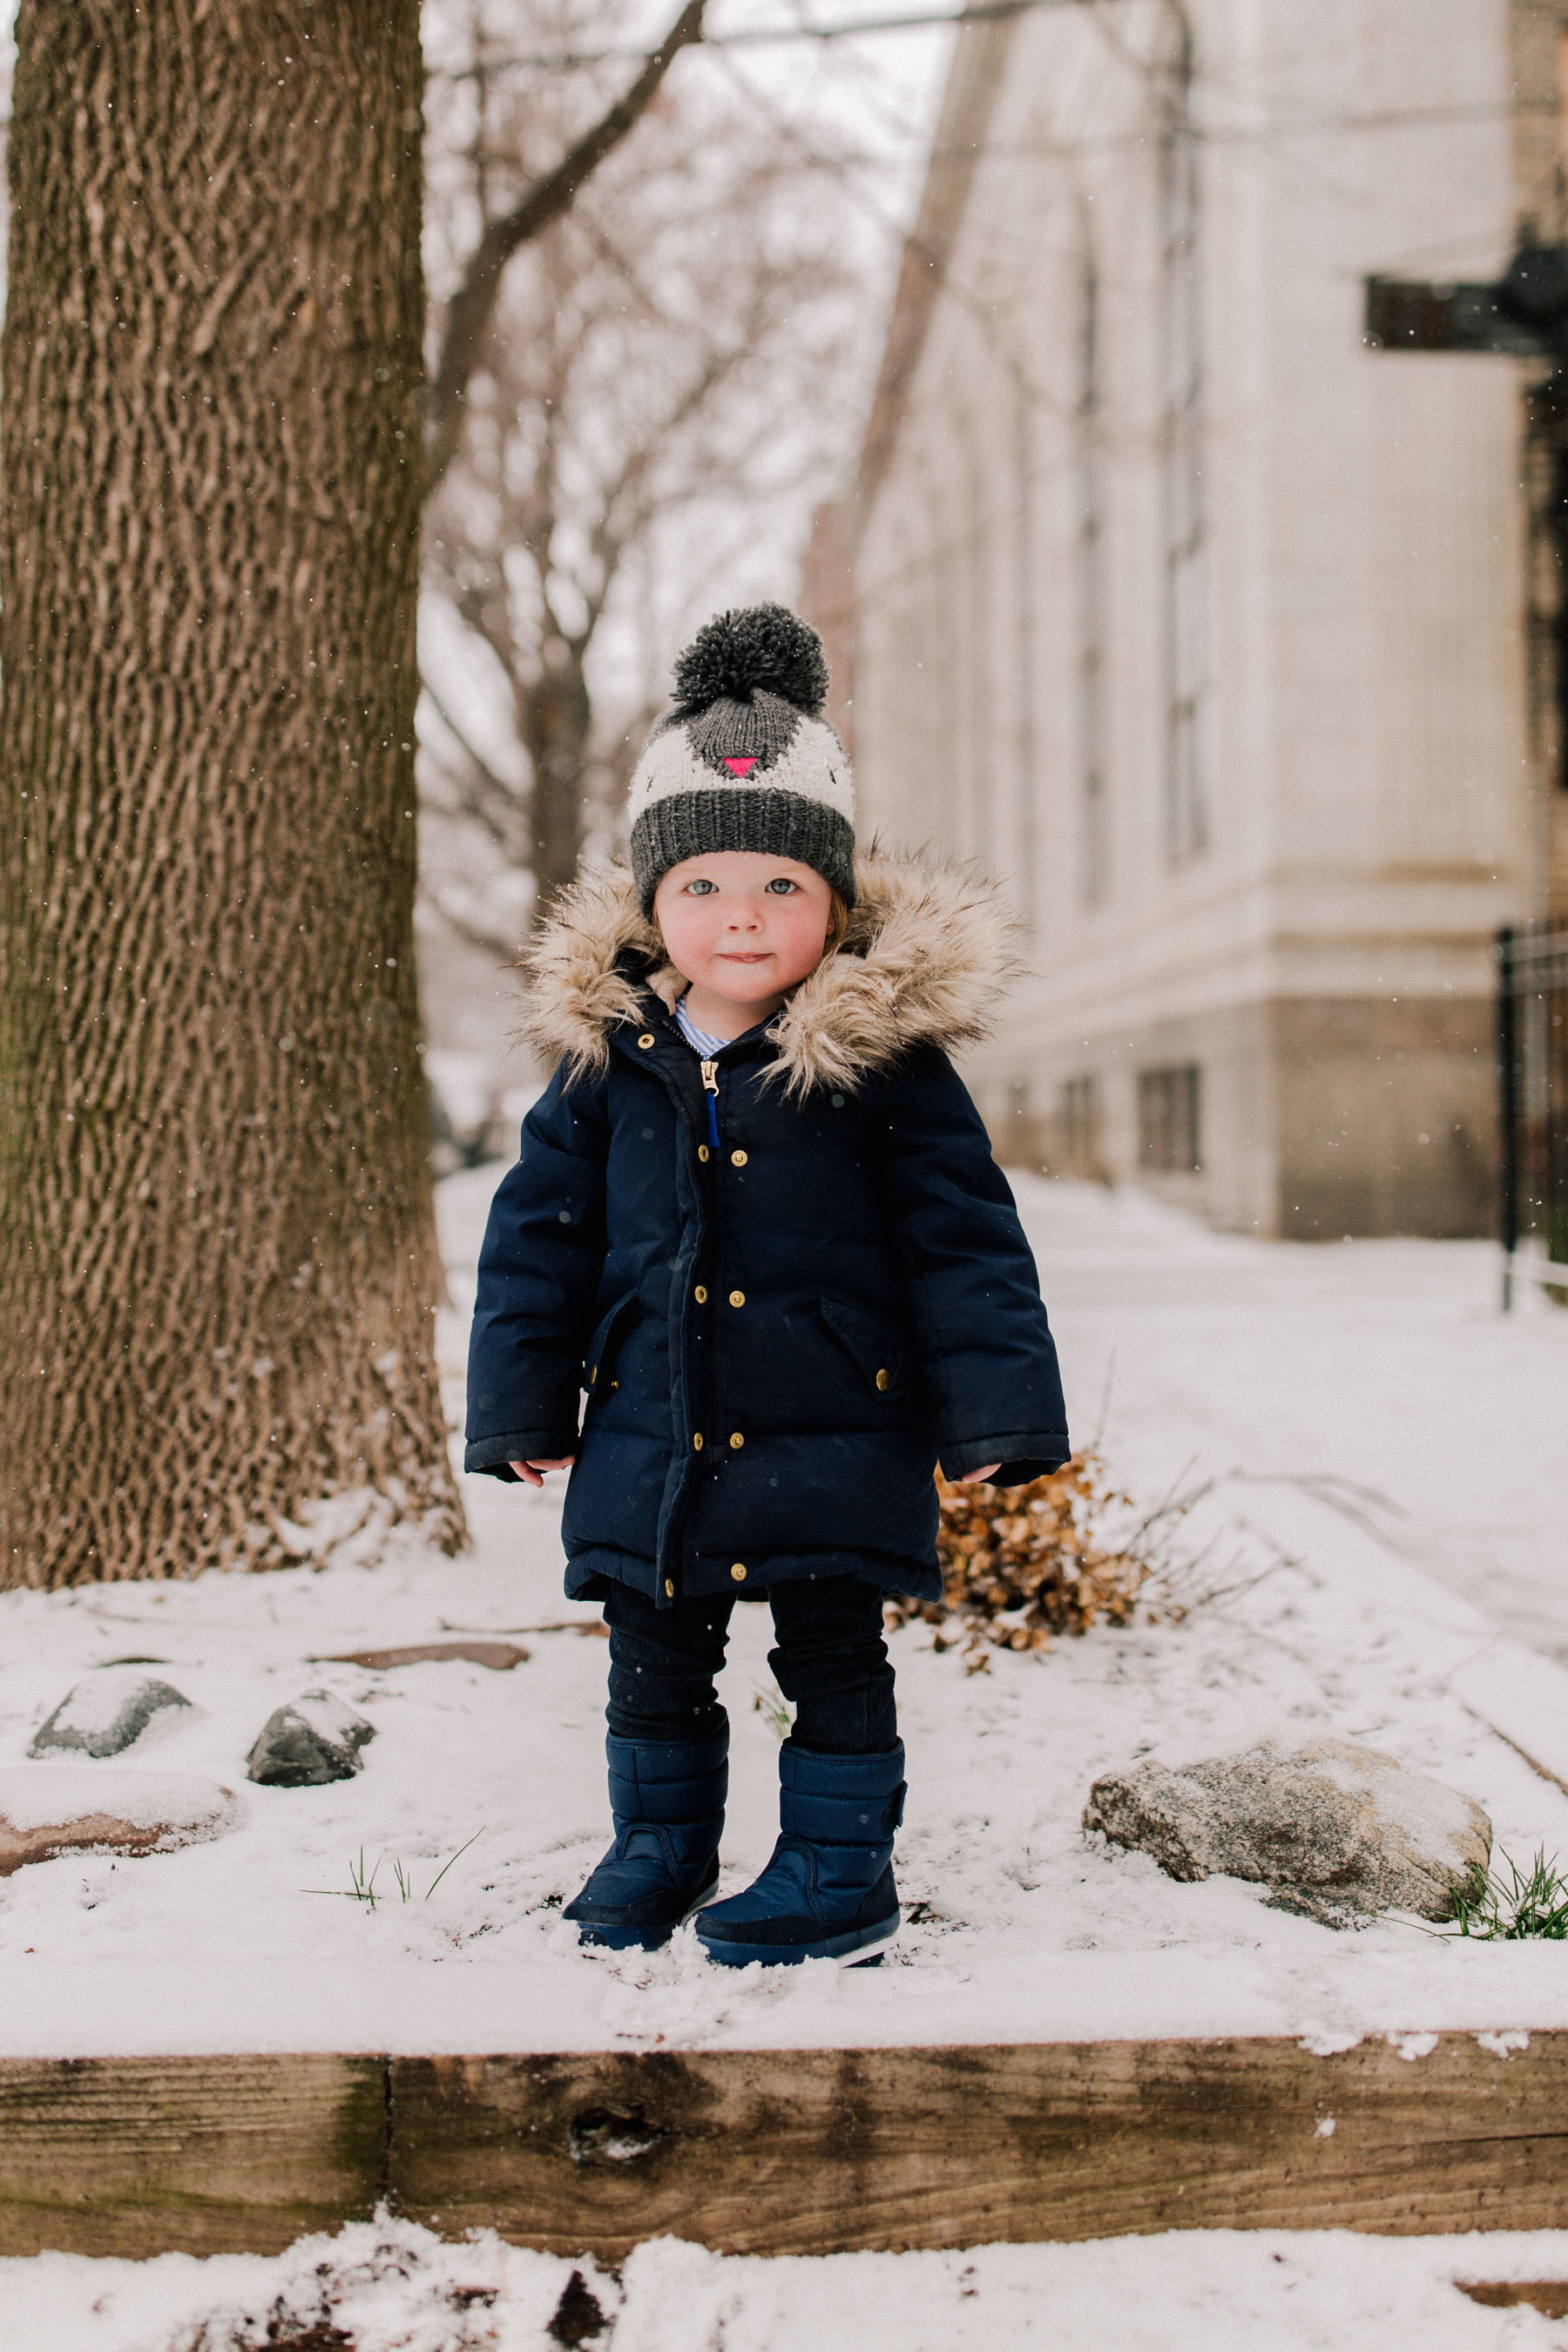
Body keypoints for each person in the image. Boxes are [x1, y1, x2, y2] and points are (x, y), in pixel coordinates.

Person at [465, 604, 1068, 1968]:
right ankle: (659, 1847)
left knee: (832, 1652)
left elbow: (966, 1239)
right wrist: (521, 1405)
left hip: (833, 1418)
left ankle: (835, 1872)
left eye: (782, 888)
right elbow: (537, 1242)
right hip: (650, 1418)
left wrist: (996, 1416)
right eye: (703, 890)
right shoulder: (607, 1062)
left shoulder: (886, 1064)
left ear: (837, 901)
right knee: (651, 1654)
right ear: (653, 903)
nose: (741, 918)